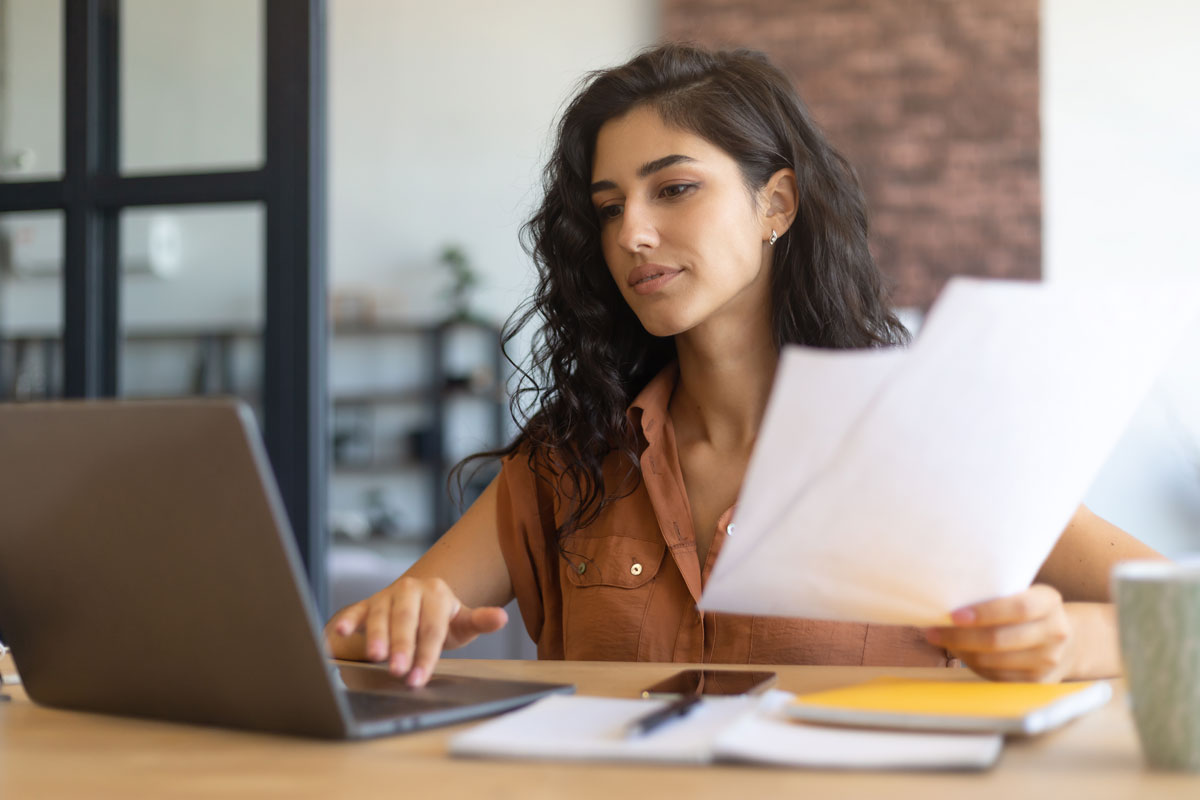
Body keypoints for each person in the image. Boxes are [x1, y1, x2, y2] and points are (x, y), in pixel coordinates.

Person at [324, 43, 1161, 687]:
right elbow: (363, 639)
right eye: (609, 207)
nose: (631, 235)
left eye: (674, 189)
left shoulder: (921, 443)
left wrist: (1071, 639)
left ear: (776, 204)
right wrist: (396, 621)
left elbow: (1177, 612)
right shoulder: (567, 456)